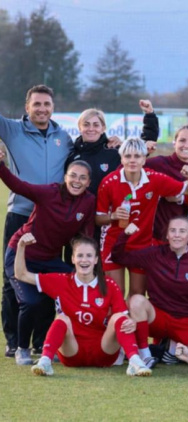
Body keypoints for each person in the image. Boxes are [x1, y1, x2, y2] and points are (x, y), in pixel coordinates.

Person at [0, 151, 95, 365]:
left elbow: (85, 235)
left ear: (89, 182)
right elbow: (19, 186)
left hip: (49, 260)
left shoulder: (89, 202)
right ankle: (22, 348)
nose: (76, 181)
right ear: (65, 177)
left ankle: (49, 344)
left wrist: (87, 261)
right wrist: (1, 165)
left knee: (72, 288)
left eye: (82, 178)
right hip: (21, 253)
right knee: (31, 302)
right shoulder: (49, 192)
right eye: (73, 176)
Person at [12, 234, 151, 376]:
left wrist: (131, 322)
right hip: (72, 352)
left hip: (103, 352)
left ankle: (134, 361)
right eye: (80, 256)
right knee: (62, 319)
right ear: (72, 258)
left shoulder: (109, 284)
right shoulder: (61, 281)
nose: (84, 260)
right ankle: (45, 361)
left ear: (96, 259)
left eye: (89, 256)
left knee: (119, 318)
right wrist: (21, 246)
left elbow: (124, 319)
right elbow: (21, 274)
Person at [0, 85, 73, 357]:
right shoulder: (12, 130)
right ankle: (12, 339)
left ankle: (41, 338)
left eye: (46, 104)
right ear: (27, 106)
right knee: (12, 279)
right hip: (20, 213)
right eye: (37, 104)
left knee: (46, 279)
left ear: (53, 107)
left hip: (50, 221)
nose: (42, 109)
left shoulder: (63, 137)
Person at [95, 138, 188, 295]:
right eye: (128, 156)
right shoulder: (109, 182)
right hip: (112, 243)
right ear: (121, 159)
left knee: (137, 294)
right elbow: (98, 219)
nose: (132, 160)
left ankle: (135, 320)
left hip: (141, 244)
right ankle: (115, 320)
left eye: (137, 156)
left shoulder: (155, 178)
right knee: (115, 293)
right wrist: (113, 216)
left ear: (144, 159)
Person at [113, 217, 188, 363]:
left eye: (182, 231)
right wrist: (125, 235)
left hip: (185, 321)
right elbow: (119, 257)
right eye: (172, 231)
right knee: (136, 300)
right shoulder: (154, 254)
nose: (177, 235)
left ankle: (173, 348)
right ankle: (145, 354)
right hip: (157, 317)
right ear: (167, 235)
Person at [66, 99, 159, 196]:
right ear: (79, 128)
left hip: (108, 209)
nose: (91, 129)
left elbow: (144, 145)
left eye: (96, 125)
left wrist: (149, 114)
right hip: (80, 209)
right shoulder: (72, 154)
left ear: (103, 128)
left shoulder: (115, 150)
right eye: (86, 125)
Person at [144, 124, 188, 242]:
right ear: (174, 142)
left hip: (180, 238)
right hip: (156, 237)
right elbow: (128, 168)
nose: (186, 145)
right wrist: (143, 153)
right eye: (182, 140)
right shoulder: (159, 163)